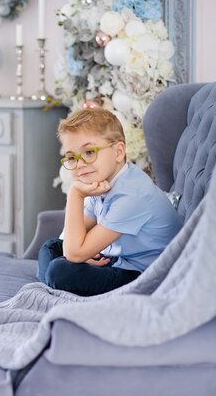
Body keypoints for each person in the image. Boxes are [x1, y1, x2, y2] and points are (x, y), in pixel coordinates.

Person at [38, 108, 183, 296]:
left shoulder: (132, 195)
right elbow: (70, 242)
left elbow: (73, 254)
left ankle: (54, 283)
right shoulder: (102, 182)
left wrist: (75, 194)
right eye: (72, 157)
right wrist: (81, 255)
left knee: (60, 270)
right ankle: (55, 283)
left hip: (143, 277)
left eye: (89, 152)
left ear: (118, 152)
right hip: (117, 260)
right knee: (50, 246)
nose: (80, 164)